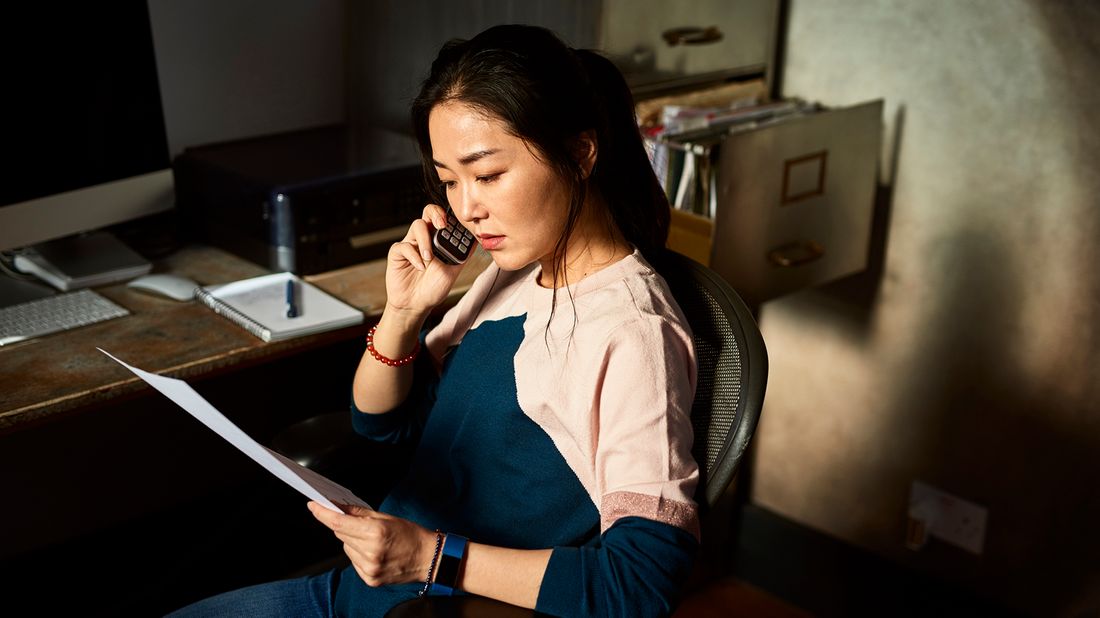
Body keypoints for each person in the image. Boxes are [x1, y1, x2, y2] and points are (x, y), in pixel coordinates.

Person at [167, 23, 700, 618]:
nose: (467, 208)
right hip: (373, 592)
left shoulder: (631, 332)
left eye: (488, 174)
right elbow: (381, 424)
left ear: (579, 154)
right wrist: (403, 313)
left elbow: (639, 584)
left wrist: (431, 557)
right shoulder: (517, 267)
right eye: (450, 180)